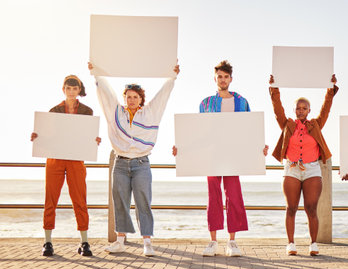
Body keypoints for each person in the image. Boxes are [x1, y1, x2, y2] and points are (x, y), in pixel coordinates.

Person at [173, 60, 268, 257]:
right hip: (211, 157)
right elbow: (198, 133)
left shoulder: (242, 102)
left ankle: (232, 242)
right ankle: (213, 241)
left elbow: (250, 131)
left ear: (231, 79)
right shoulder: (205, 103)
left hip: (234, 157)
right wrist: (183, 149)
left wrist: (259, 148)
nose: (223, 80)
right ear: (214, 79)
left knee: (234, 197)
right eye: (219, 77)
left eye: (226, 77)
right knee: (213, 197)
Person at [88, 62, 179, 256]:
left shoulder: (150, 113)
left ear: (140, 99)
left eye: (135, 97)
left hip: (141, 164)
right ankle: (120, 241)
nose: (131, 100)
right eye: (128, 97)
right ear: (125, 99)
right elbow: (107, 94)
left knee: (143, 202)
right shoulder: (116, 113)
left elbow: (162, 97)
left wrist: (171, 78)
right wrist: (96, 74)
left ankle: (147, 243)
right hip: (120, 163)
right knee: (119, 201)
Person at [31, 75, 101, 257]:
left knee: (79, 199)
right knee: (50, 199)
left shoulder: (87, 111)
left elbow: (86, 137)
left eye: (74, 88)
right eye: (68, 88)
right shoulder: (53, 111)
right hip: (55, 158)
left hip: (76, 159)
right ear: (63, 90)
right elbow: (48, 136)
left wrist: (94, 140)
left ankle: (84, 242)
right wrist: (37, 137)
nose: (71, 91)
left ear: (79, 90)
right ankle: (47, 242)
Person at [268, 74, 338, 256]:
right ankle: (291, 243)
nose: (301, 110)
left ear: (308, 110)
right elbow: (277, 110)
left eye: (304, 108)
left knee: (311, 207)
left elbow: (326, 111)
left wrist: (330, 90)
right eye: (298, 108)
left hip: (312, 169)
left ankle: (313, 243)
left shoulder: (316, 124)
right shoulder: (287, 125)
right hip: (291, 168)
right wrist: (274, 89)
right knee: (291, 208)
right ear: (294, 110)